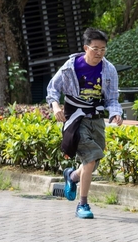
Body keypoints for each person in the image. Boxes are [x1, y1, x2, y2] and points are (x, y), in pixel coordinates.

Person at [46, 27, 123, 219]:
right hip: (75, 119)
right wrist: (55, 107)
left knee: (93, 162)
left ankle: (71, 176)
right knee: (90, 159)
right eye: (95, 49)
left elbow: (113, 98)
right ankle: (83, 205)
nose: (99, 53)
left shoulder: (109, 69)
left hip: (96, 120)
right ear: (86, 48)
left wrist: (116, 114)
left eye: (103, 49)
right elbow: (53, 89)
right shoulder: (70, 67)